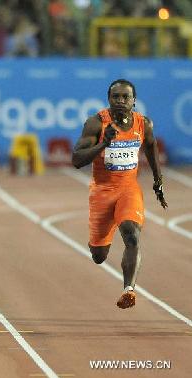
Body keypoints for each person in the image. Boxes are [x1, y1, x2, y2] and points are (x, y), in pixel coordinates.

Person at [72, 79, 167, 309]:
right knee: (99, 256)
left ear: (134, 100)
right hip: (102, 192)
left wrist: (158, 181)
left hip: (128, 188)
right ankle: (105, 234)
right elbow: (76, 160)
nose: (121, 101)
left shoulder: (143, 123)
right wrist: (103, 144)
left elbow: (151, 147)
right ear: (109, 99)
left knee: (132, 235)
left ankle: (129, 290)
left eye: (126, 97)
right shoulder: (95, 124)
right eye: (116, 97)